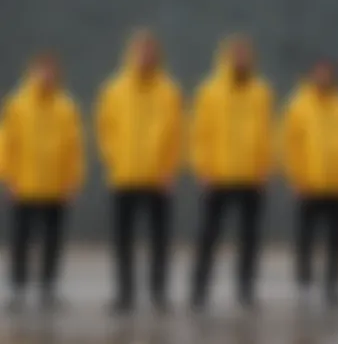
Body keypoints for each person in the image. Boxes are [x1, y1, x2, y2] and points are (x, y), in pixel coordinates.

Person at [95, 29, 183, 314]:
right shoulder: (114, 90)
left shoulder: (169, 91)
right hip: (125, 175)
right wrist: (115, 159)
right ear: (132, 54)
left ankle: (158, 293)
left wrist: (170, 168)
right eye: (141, 52)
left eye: (151, 52)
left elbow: (178, 133)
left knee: (160, 239)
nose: (146, 57)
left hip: (159, 178)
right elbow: (104, 129)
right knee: (123, 240)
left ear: (157, 56)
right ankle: (124, 293)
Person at [190, 35, 274, 309]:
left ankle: (246, 290)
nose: (240, 60)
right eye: (235, 55)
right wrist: (203, 168)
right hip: (218, 176)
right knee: (208, 237)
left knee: (250, 239)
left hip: (251, 175)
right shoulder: (210, 91)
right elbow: (200, 132)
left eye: (244, 55)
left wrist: (265, 166)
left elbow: (268, 133)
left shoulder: (261, 92)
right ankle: (199, 290)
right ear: (226, 57)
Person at [1, 53, 85, 311]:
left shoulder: (66, 107)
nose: (47, 77)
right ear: (33, 72)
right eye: (42, 71)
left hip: (55, 185)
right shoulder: (18, 104)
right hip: (25, 184)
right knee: (21, 240)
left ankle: (48, 287)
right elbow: (7, 143)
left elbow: (74, 147)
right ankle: (18, 287)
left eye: (51, 72)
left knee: (52, 240)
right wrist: (8, 176)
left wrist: (72, 179)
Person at [280, 60, 338, 307]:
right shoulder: (299, 105)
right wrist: (296, 177)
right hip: (310, 182)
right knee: (306, 236)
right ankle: (304, 282)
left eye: (328, 73)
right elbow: (290, 144)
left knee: (337, 239)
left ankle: (333, 285)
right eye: (319, 73)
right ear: (311, 76)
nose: (324, 77)